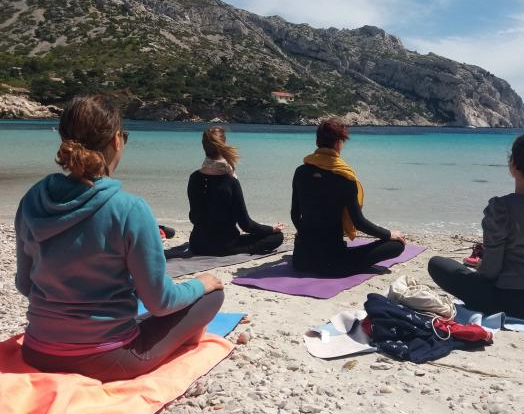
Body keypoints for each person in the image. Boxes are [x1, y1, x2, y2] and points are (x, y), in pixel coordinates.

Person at [14, 95, 224, 382]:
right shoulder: (129, 209)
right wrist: (201, 283)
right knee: (212, 295)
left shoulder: (32, 200)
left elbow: (25, 284)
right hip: (107, 359)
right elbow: (159, 302)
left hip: (37, 351)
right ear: (116, 140)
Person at [428, 133, 524, 320]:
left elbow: (490, 273)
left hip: (511, 301)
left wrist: (482, 267)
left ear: (513, 164)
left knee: (436, 263)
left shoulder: (501, 208)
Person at [291, 117, 405, 275]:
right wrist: (389, 234)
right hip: (332, 263)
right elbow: (359, 223)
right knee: (396, 245)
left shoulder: (300, 171)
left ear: (318, 142)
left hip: (301, 260)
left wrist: (303, 232)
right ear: (338, 143)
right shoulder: (345, 177)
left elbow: (294, 215)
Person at [188, 126, 284, 256]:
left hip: (196, 245)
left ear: (204, 147)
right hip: (225, 247)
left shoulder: (194, 177)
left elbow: (194, 218)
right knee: (277, 237)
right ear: (223, 145)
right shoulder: (230, 181)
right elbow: (246, 225)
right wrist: (272, 229)